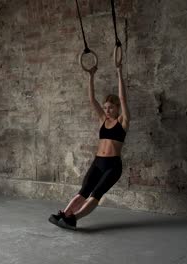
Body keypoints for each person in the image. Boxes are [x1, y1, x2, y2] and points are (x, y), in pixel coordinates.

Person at [49, 50, 130, 230]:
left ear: (117, 108)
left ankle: (74, 218)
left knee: (96, 193)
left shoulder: (123, 122)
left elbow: (123, 98)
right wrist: (91, 76)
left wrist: (119, 72)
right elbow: (92, 99)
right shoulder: (103, 120)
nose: (107, 110)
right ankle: (65, 214)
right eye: (106, 107)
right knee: (83, 192)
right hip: (97, 163)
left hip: (112, 167)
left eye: (111, 108)